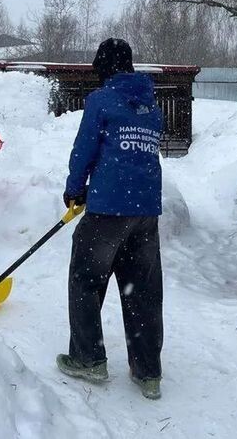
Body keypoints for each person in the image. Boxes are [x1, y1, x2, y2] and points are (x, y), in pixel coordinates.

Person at [56, 38, 165, 400]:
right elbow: (133, 154)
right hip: (146, 210)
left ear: (102, 68)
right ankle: (148, 371)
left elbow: (86, 147)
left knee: (86, 279)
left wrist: (76, 188)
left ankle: (88, 358)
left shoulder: (101, 100)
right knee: (143, 290)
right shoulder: (151, 104)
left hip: (109, 209)